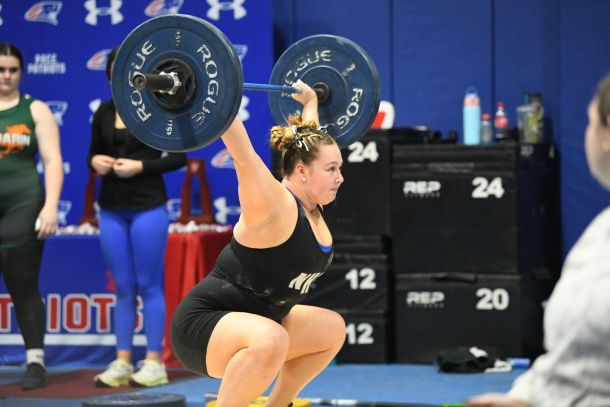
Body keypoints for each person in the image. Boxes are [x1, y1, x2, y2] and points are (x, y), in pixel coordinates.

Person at [170, 79, 346, 406]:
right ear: (302, 172)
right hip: (203, 327)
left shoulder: (311, 203)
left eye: (339, 168)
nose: (340, 177)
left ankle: (279, 403)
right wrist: (213, 90)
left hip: (261, 323)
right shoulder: (272, 205)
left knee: (331, 329)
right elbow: (243, 153)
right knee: (271, 339)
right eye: (332, 169)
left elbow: (308, 144)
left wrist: (311, 103)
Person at [468, 73, 610, 407]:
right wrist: (525, 396)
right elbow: (573, 353)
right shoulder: (600, 231)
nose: (587, 135)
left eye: (591, 122)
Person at [87, 47, 187, 388]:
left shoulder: (158, 107)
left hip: (148, 206)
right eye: (115, 70)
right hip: (111, 208)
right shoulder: (103, 111)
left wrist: (140, 166)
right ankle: (122, 362)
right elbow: (91, 155)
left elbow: (178, 158)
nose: (122, 76)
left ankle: (155, 363)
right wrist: (96, 162)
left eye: (128, 69)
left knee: (148, 284)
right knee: (123, 287)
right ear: (109, 75)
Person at [0, 43, 64, 390]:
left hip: (23, 204)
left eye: (13, 70)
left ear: (21, 72)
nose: (7, 76)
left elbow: (52, 161)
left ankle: (35, 362)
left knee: (22, 282)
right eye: (1, 70)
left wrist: (50, 206)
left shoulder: (35, 109)